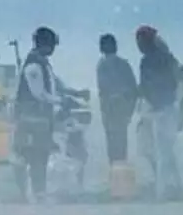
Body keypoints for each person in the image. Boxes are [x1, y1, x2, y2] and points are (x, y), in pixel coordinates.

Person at [13, 26, 83, 203]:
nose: (53, 49)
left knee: (39, 156)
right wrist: (60, 101)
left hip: (41, 119)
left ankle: (37, 191)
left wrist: (74, 94)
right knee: (33, 156)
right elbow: (40, 94)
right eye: (52, 45)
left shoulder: (43, 63)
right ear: (45, 44)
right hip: (32, 119)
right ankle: (32, 192)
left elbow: (55, 86)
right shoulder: (34, 65)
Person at [135, 25, 183, 202]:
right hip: (168, 108)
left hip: (159, 110)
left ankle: (161, 191)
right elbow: (178, 83)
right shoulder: (168, 58)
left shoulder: (148, 61)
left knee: (161, 151)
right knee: (166, 150)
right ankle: (176, 185)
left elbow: (146, 87)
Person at [96, 33, 138, 169]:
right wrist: (129, 110)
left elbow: (103, 89)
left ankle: (116, 175)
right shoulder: (122, 64)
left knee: (113, 144)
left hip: (112, 111)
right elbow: (133, 89)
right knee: (120, 143)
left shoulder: (102, 65)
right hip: (119, 110)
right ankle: (120, 175)